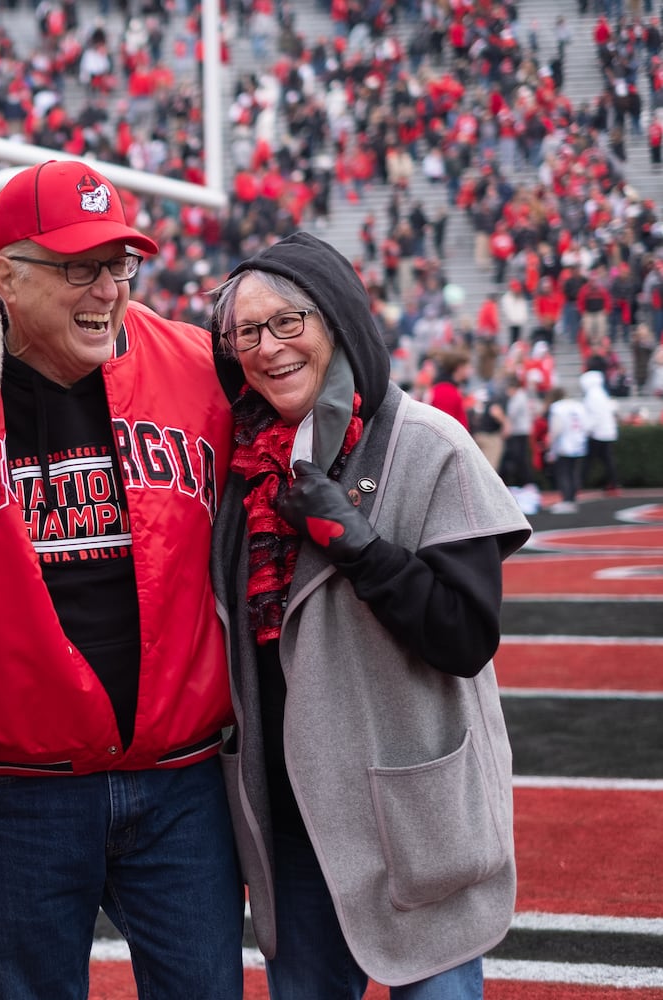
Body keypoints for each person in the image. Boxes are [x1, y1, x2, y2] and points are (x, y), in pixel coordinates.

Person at [0, 159, 244, 1000]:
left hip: (180, 781)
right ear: (5, 276)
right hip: (17, 795)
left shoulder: (201, 369)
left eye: (120, 266)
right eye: (80, 268)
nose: (109, 291)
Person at [207, 232, 531, 999]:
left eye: (289, 321)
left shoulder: (428, 444)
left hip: (409, 817)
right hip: (293, 822)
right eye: (247, 332)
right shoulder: (240, 466)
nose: (268, 348)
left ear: (339, 320)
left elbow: (464, 635)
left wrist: (361, 547)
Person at [546, 385, 590, 512]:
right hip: (579, 443)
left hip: (564, 444)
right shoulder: (578, 406)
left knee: (563, 473)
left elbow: (556, 429)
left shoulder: (557, 408)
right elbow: (586, 425)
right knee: (573, 472)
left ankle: (567, 500)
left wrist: (551, 446)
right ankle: (573, 498)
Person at [580, 367, 620, 495]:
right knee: (607, 460)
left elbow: (594, 416)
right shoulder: (602, 393)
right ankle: (613, 482)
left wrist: (587, 430)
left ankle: (578, 483)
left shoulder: (592, 396)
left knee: (589, 460)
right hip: (606, 432)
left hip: (598, 433)